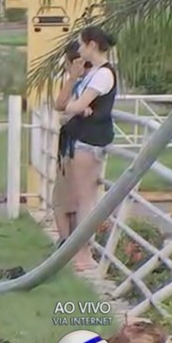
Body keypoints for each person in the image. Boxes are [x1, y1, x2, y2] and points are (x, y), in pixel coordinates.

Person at [58, 26, 118, 270]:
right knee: (82, 197)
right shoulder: (94, 73)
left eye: (82, 45)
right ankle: (81, 250)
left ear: (92, 45)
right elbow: (68, 105)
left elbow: (74, 105)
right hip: (83, 137)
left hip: (92, 138)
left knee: (85, 199)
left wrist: (77, 107)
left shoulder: (103, 74)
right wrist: (76, 107)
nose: (80, 50)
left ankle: (83, 252)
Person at [53, 40, 89, 246]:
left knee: (63, 199)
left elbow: (60, 104)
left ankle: (67, 243)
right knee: (72, 198)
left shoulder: (81, 83)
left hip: (75, 147)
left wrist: (72, 77)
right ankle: (70, 243)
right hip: (71, 146)